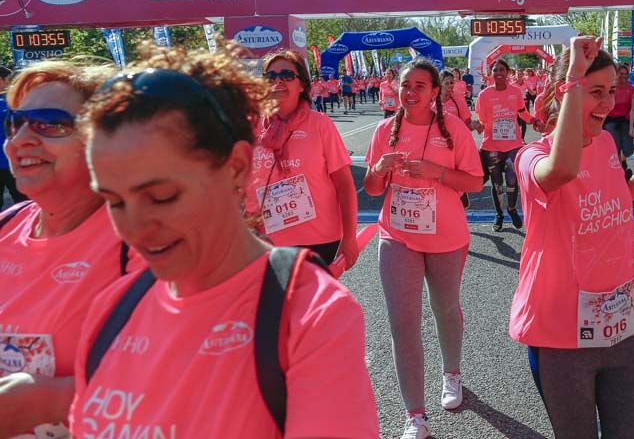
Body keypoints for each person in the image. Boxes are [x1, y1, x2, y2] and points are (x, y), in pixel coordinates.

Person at [73, 42, 379, 438]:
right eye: (113, 201)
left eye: (162, 196)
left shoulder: (313, 316)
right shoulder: (111, 309)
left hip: (313, 238)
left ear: (235, 166)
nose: (135, 228)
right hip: (271, 231)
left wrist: (347, 237)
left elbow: (342, 183)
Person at [511, 37, 634, 438]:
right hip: (561, 335)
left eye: (611, 91)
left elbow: (619, 193)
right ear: (566, 91)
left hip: (622, 322)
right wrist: (574, 77)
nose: (608, 102)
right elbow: (562, 170)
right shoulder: (531, 156)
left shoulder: (606, 142)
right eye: (596, 92)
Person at [0, 60, 129, 438]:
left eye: (49, 123)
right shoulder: (6, 226)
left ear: (101, 141)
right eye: (14, 123)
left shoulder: (141, 239)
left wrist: (56, 401)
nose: (20, 139)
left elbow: (185, 380)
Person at [364, 60, 483, 439]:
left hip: (446, 237)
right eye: (405, 85)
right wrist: (378, 169)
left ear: (434, 92)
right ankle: (414, 415)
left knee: (444, 308)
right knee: (402, 323)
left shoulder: (454, 129)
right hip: (397, 236)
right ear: (396, 89)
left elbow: (475, 182)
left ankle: (452, 373)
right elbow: (372, 190)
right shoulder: (385, 130)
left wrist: (438, 172)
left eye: (420, 86)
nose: (411, 92)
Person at [248, 50, 359, 267]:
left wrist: (350, 237)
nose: (278, 81)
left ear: (302, 85)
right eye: (271, 76)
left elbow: (345, 186)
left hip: (318, 240)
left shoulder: (320, 124)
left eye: (287, 75)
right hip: (267, 241)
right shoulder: (250, 126)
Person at [474, 59, 535, 231]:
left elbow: (522, 113)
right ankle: (499, 214)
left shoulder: (515, 92)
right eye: (495, 70)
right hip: (491, 147)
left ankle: (512, 209)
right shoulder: (484, 95)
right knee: (497, 184)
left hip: (513, 145)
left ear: (507, 72)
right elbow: (481, 120)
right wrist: (477, 126)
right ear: (491, 73)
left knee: (512, 180)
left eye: (502, 69)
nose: (499, 72)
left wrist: (534, 121)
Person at [0, 64, 27, 205]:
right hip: (11, 162)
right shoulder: (13, 102)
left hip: (10, 161)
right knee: (23, 204)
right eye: (8, 79)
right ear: (2, 80)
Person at [603, 63, 634, 177]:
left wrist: (631, 126)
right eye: (621, 74)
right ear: (616, 74)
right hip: (611, 121)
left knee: (628, 150)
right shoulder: (610, 88)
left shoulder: (631, 89)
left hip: (625, 121)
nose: (624, 76)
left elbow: (633, 108)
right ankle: (619, 174)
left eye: (626, 74)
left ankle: (622, 162)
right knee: (615, 149)